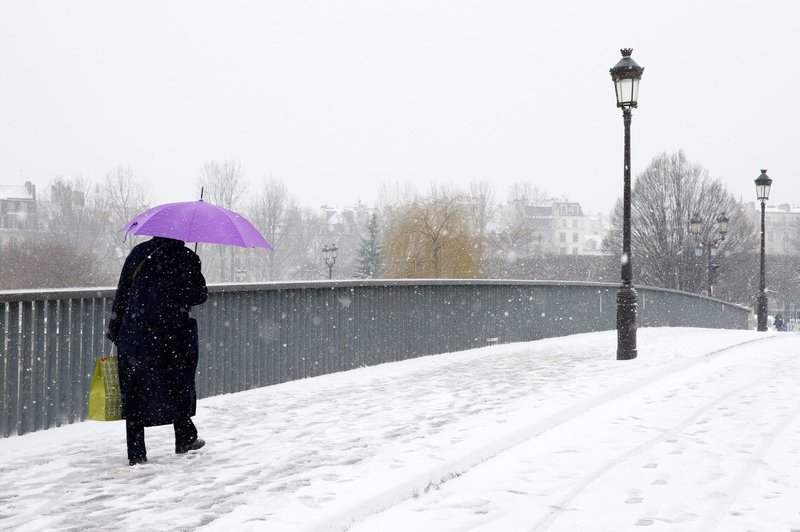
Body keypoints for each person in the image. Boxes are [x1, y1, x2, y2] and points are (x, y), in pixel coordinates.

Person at [107, 236, 208, 465]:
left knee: (134, 392)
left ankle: (137, 453)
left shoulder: (139, 253)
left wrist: (116, 331)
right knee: (179, 383)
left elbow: (123, 291)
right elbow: (199, 295)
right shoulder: (186, 257)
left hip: (135, 334)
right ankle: (184, 438)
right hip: (171, 334)